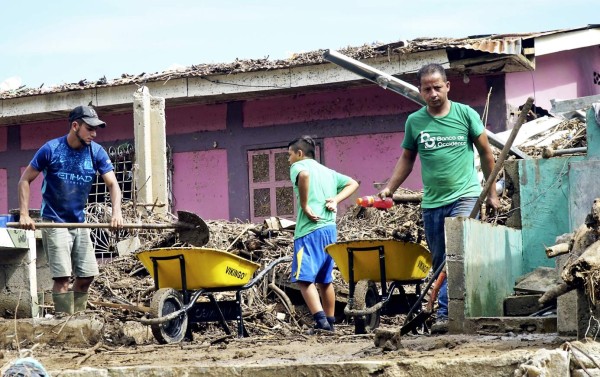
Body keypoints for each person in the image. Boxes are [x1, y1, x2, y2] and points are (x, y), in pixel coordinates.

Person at [378, 63, 500, 334]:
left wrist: (490, 193)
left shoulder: (465, 114)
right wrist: (390, 188)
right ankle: (450, 309)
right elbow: (407, 159)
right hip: (432, 202)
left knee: (454, 256)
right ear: (420, 91)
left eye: (437, 87)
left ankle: (445, 314)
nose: (433, 93)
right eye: (427, 89)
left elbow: (486, 154)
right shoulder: (415, 121)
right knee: (439, 260)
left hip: (466, 195)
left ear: (447, 86)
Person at [18, 105, 123, 314]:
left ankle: (76, 318)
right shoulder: (51, 149)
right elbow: (24, 180)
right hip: (54, 221)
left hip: (78, 221)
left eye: (96, 129)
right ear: (75, 125)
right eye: (89, 128)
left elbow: (113, 184)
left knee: (86, 276)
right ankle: (63, 323)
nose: (94, 133)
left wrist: (116, 213)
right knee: (63, 278)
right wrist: (24, 214)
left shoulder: (96, 152)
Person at [288, 136, 359, 332]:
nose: (288, 160)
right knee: (325, 279)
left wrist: (304, 205)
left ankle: (321, 323)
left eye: (289, 155)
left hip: (309, 230)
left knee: (303, 280)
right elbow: (353, 183)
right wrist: (335, 200)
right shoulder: (328, 172)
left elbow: (303, 176)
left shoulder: (298, 166)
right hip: (329, 230)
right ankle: (330, 322)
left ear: (300, 154)